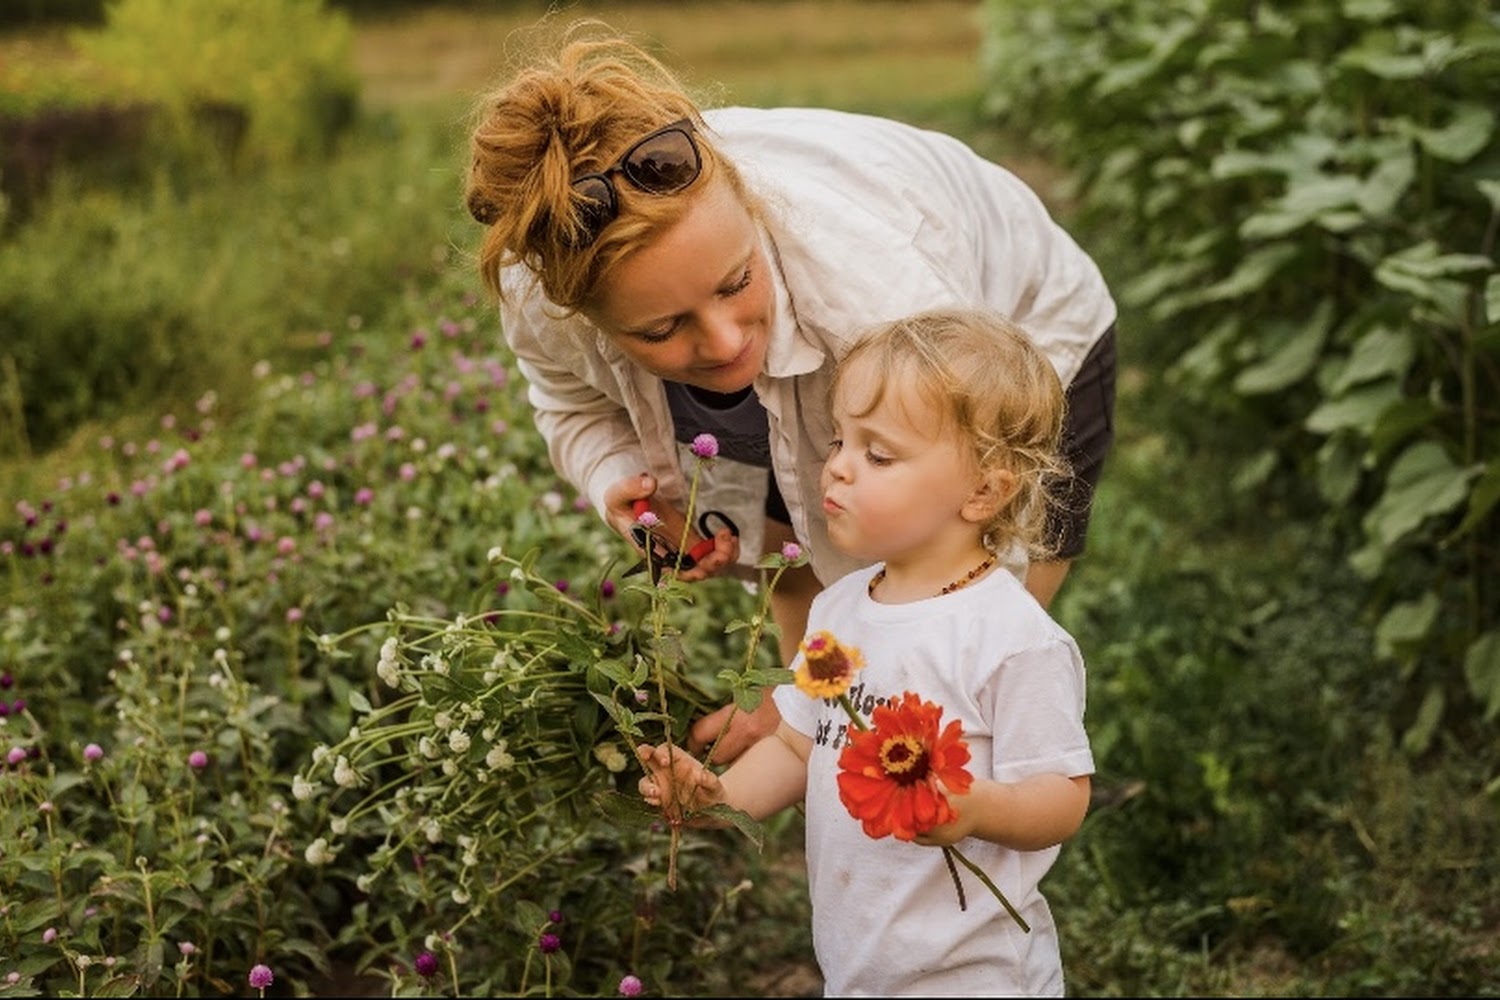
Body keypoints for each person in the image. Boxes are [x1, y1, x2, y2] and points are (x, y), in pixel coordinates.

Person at [463, 20, 1117, 761]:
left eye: (737, 282)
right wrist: (616, 475)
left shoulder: (882, 301)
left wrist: (917, 680)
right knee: (775, 515)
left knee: (970, 643)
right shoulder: (540, 290)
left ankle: (989, 756)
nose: (725, 342)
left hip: (1023, 332)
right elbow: (572, 402)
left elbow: (961, 545)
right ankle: (806, 717)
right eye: (662, 328)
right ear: (580, 311)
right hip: (851, 348)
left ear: (752, 210)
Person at [636, 307, 1095, 996]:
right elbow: (799, 746)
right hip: (860, 960)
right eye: (841, 443)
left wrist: (974, 809)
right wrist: (719, 796)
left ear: (983, 491)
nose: (840, 470)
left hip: (972, 972)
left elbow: (1061, 797)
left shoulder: (1011, 636)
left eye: (877, 454)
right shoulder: (841, 608)